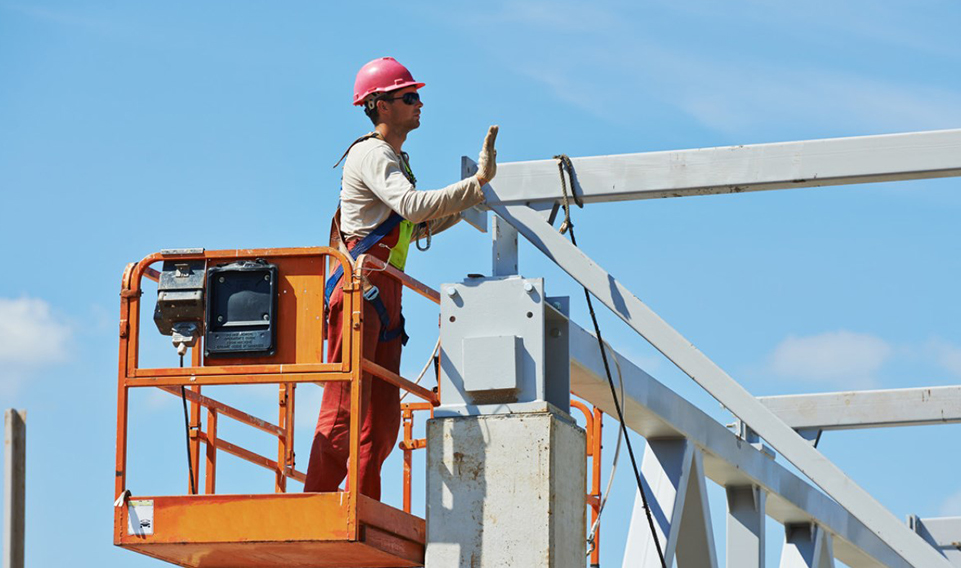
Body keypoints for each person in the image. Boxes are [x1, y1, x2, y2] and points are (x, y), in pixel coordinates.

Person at [304, 56, 498, 499]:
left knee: (383, 419)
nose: (419, 103)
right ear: (380, 106)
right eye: (409, 96)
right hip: (360, 288)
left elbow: (416, 224)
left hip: (384, 291)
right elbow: (412, 207)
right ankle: (316, 506)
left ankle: (362, 508)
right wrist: (475, 184)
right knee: (343, 411)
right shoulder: (371, 154)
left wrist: (471, 198)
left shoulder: (395, 160)